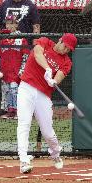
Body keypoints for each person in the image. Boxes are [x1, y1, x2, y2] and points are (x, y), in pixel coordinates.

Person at [16, 33, 78, 174]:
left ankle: (55, 153)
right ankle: (24, 160)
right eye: (66, 46)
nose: (66, 50)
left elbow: (60, 76)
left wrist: (53, 81)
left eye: (69, 50)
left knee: (48, 133)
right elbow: (38, 54)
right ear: (60, 40)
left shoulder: (67, 61)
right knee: (24, 124)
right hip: (26, 87)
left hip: (43, 95)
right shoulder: (45, 42)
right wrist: (48, 69)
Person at [0, 0, 40, 117]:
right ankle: (6, 107)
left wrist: (35, 45)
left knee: (23, 80)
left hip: (23, 47)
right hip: (6, 45)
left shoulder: (30, 5)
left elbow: (36, 25)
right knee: (5, 80)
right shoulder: (4, 5)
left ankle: (22, 107)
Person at [0, 15, 30, 119]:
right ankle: (10, 110)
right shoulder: (3, 40)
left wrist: (22, 71)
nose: (9, 25)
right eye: (7, 23)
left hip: (16, 73)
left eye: (12, 23)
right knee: (7, 91)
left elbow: (26, 56)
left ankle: (18, 111)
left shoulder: (21, 39)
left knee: (15, 90)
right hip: (5, 73)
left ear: (17, 24)